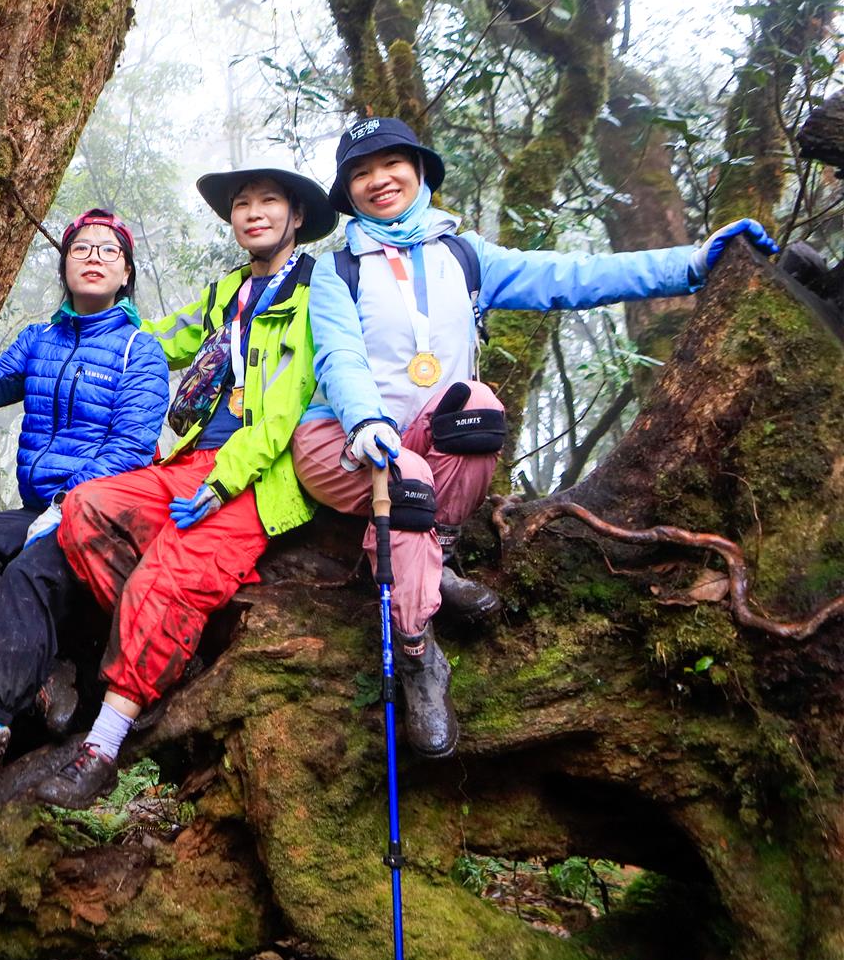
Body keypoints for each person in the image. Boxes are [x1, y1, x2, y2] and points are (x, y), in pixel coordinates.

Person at [294, 115, 779, 759]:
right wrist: (364, 419)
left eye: (391, 164)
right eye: (361, 173)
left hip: (425, 433)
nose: (378, 180)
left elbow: (571, 276)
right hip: (344, 438)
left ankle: (436, 560)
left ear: (419, 172)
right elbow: (338, 355)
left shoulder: (464, 256)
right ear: (348, 191)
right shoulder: (337, 270)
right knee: (408, 478)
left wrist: (690, 263)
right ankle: (416, 653)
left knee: (479, 408)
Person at [37, 154, 338, 807]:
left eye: (268, 201)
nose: (253, 213)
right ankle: (169, 647)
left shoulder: (318, 293)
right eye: (242, 203)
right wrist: (93, 321)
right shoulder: (228, 294)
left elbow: (286, 409)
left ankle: (101, 748)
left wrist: (224, 482)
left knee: (166, 573)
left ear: (297, 216)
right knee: (86, 509)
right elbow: (157, 339)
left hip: (256, 476)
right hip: (190, 459)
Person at [0, 209, 171, 806]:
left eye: (108, 251)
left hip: (96, 518)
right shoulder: (41, 339)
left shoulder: (139, 350)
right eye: (81, 248)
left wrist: (67, 502)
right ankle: (44, 673)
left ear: (126, 273)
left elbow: (131, 445)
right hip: (41, 511)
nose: (93, 257)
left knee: (28, 571)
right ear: (64, 266)